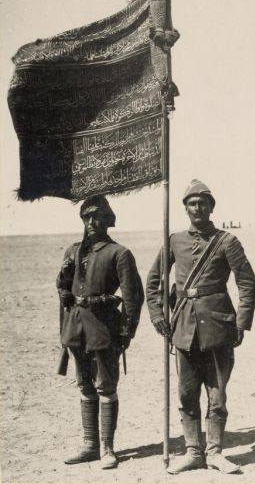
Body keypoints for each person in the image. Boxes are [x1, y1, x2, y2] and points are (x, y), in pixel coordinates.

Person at [146, 179, 255, 474]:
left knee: (217, 395)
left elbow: (247, 283)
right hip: (183, 328)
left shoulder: (227, 242)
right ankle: (193, 452)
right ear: (185, 208)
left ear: (211, 207)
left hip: (218, 329)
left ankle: (216, 452)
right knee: (186, 393)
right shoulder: (174, 241)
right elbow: (154, 280)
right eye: (192, 203)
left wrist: (242, 322)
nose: (197, 208)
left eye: (203, 203)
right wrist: (157, 314)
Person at [56, 195, 144, 469]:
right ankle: (90, 445)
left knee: (105, 386)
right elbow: (63, 289)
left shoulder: (119, 253)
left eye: (97, 216)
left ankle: (107, 447)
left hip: (104, 329)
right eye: (87, 217)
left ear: (108, 220)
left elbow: (133, 296)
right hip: (75, 328)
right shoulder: (73, 251)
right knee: (85, 385)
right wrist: (63, 278)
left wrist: (127, 331)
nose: (92, 222)